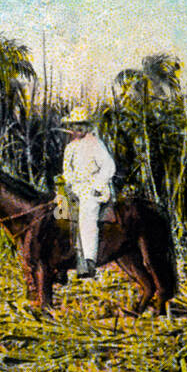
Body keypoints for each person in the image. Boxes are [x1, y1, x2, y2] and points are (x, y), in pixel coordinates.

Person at [61, 105, 116, 279]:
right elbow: (66, 170)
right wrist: (69, 183)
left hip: (91, 187)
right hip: (73, 187)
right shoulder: (70, 147)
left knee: (87, 215)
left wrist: (96, 185)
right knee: (56, 213)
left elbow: (108, 166)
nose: (76, 130)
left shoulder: (95, 144)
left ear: (85, 127)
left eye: (79, 126)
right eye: (74, 126)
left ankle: (89, 261)